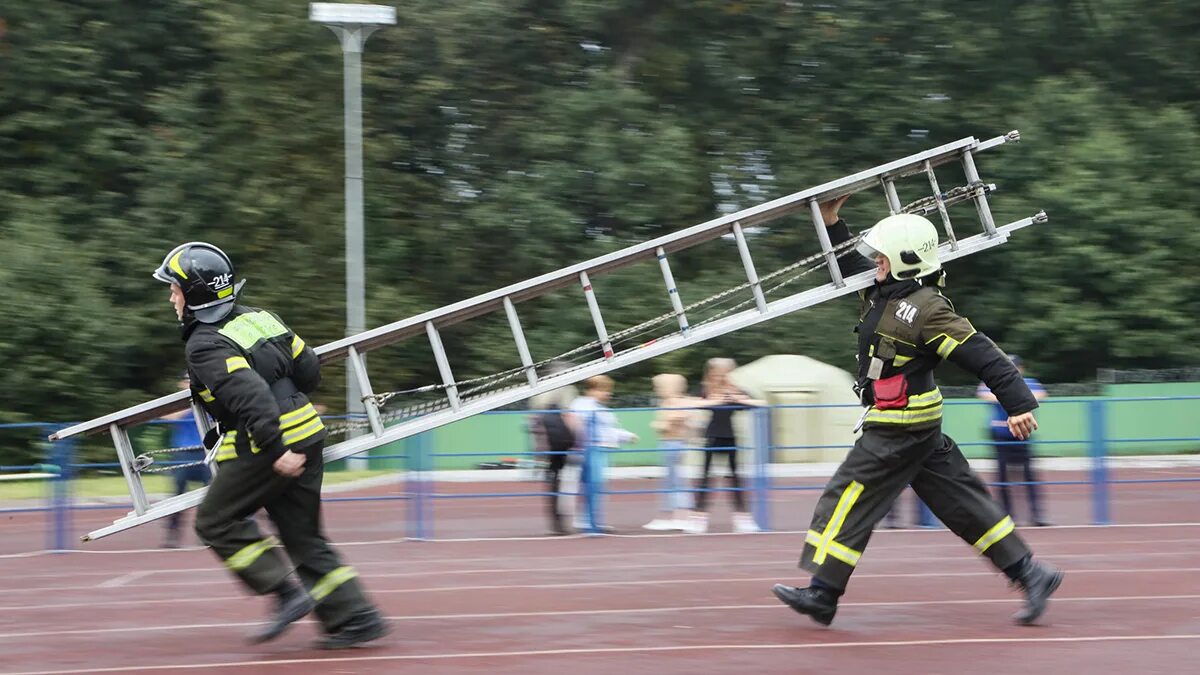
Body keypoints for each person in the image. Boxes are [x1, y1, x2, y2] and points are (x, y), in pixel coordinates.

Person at [772, 198, 1063, 627]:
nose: (875, 263)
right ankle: (1031, 573)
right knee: (963, 502)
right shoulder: (881, 291)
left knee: (846, 498)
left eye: (882, 258)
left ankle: (822, 593)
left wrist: (1017, 405)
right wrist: (832, 221)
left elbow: (985, 357)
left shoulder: (930, 309)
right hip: (912, 428)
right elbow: (846, 264)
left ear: (904, 264)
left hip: (899, 427)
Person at [152, 242, 388, 649]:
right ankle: (356, 617)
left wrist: (278, 450)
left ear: (195, 295)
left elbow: (252, 399)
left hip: (270, 444)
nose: (171, 297)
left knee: (215, 522)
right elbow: (309, 368)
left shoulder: (205, 343)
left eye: (174, 289)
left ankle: (285, 592)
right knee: (303, 535)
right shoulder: (260, 318)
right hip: (309, 432)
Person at [687, 358, 764, 534]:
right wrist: (715, 401)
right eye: (719, 372)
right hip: (712, 437)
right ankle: (698, 518)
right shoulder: (706, 389)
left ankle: (742, 518)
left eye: (726, 372)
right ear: (711, 373)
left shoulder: (734, 390)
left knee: (736, 478)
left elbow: (760, 403)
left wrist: (737, 398)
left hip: (730, 438)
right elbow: (692, 403)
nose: (722, 375)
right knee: (705, 477)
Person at [978, 355, 1050, 526]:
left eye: (1015, 366)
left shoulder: (1029, 381)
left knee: (1029, 475)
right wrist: (1016, 395)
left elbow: (1041, 395)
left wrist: (1009, 394)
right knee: (1002, 476)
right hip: (1001, 434)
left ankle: (1037, 515)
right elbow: (983, 394)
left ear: (1021, 368)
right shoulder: (993, 380)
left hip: (1023, 434)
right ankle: (1006, 515)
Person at [570, 375, 637, 533]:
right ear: (591, 389)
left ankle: (590, 519)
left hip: (598, 449)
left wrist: (626, 436)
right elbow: (582, 426)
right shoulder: (584, 405)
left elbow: (606, 431)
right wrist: (625, 436)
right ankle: (589, 520)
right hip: (590, 449)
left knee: (594, 486)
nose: (608, 394)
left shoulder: (597, 407)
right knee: (593, 485)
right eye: (604, 390)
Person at [642, 373, 700, 532]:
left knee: (676, 481)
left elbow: (672, 422)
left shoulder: (677, 402)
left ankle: (681, 516)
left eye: (659, 386)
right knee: (672, 480)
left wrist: (664, 423)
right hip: (669, 443)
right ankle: (671, 515)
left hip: (674, 443)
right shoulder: (667, 402)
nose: (656, 389)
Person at [527, 362, 579, 536]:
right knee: (566, 479)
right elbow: (568, 415)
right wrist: (576, 440)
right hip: (561, 439)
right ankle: (564, 520)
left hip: (546, 440)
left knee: (553, 480)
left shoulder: (540, 388)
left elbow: (533, 419)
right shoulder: (567, 389)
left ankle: (555, 520)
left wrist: (537, 446)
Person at [161, 374, 212, 549]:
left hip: (205, 452)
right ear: (181, 384)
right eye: (187, 381)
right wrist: (189, 400)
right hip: (182, 453)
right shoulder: (176, 403)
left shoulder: (208, 399)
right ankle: (172, 534)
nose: (190, 384)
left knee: (212, 494)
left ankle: (206, 533)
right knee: (177, 494)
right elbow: (169, 417)